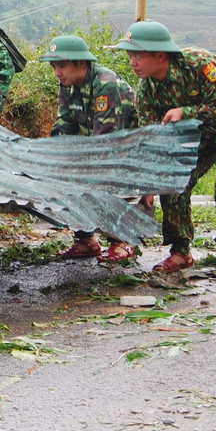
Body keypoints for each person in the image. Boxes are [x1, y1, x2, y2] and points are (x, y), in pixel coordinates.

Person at [114, 20, 216, 278]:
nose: (132, 62)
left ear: (160, 55)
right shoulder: (147, 92)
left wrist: (185, 112)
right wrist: (148, 182)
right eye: (129, 55)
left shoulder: (199, 63)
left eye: (137, 55)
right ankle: (180, 251)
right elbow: (154, 140)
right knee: (173, 179)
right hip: (201, 134)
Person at [40, 34, 145, 263]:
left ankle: (123, 240)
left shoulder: (105, 84)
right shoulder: (67, 85)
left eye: (62, 66)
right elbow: (64, 124)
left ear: (81, 63)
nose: (57, 72)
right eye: (54, 67)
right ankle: (86, 240)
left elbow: (105, 141)